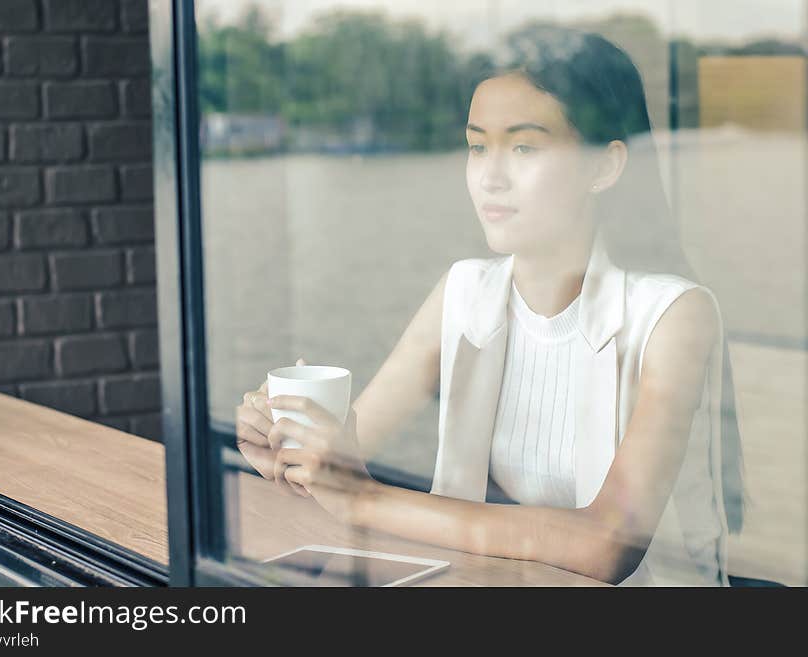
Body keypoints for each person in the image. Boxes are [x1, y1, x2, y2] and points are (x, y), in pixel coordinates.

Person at [234, 26, 745, 586]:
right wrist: (292, 450)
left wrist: (363, 500)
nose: (490, 177)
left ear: (604, 166)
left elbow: (607, 545)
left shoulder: (674, 316)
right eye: (478, 146)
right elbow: (353, 459)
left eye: (524, 147)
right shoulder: (463, 293)